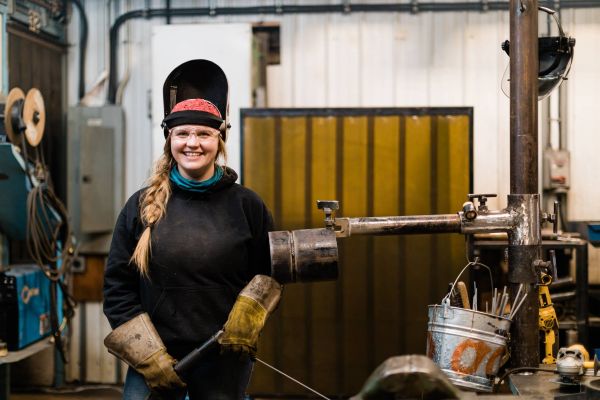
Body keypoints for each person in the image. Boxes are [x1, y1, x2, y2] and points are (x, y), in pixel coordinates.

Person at [103, 59, 274, 400]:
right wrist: (148, 358)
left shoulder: (247, 206)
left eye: (204, 133)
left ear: (219, 139)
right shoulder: (141, 206)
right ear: (169, 139)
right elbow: (117, 286)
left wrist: (251, 315)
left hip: (223, 360)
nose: (192, 142)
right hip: (153, 363)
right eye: (182, 133)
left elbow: (268, 275)